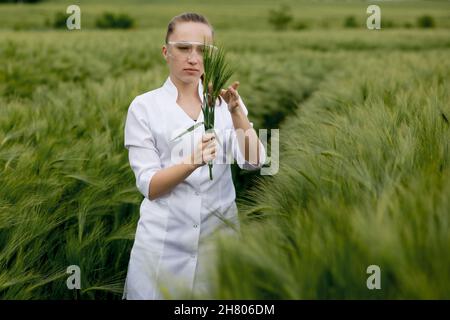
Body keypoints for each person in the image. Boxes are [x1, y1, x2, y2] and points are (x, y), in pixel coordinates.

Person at [122, 12, 266, 300]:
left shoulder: (225, 104)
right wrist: (191, 162)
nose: (193, 58)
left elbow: (255, 161)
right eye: (183, 48)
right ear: (166, 52)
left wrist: (237, 112)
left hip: (218, 244)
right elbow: (149, 186)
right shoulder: (144, 108)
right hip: (162, 248)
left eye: (202, 50)